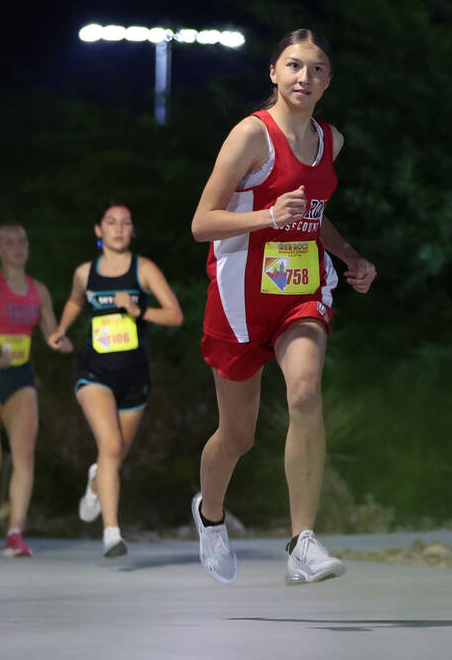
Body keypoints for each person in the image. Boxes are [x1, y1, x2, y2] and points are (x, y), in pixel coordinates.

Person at [190, 29, 377, 585]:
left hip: (300, 291)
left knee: (305, 390)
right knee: (237, 436)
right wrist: (268, 217)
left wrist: (348, 256)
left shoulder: (331, 141)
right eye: (294, 66)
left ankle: (302, 542)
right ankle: (210, 515)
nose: (304, 77)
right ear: (273, 72)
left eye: (316, 69)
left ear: (328, 81)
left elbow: (314, 216)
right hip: (240, 299)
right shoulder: (251, 136)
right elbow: (202, 223)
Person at [48, 200, 183, 558]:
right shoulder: (84, 273)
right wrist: (61, 329)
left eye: (126, 222)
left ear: (132, 230)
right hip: (93, 372)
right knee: (110, 446)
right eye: (111, 222)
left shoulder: (144, 270)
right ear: (98, 230)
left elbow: (175, 315)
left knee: (116, 452)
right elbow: (76, 302)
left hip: (133, 376)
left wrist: (139, 310)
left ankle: (96, 481)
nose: (119, 229)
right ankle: (112, 533)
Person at [0, 223, 71, 557]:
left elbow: (51, 331)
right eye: (9, 243)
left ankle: (15, 532)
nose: (17, 247)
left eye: (22, 241)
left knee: (24, 454)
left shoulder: (37, 291)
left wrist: (62, 342)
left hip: (21, 379)